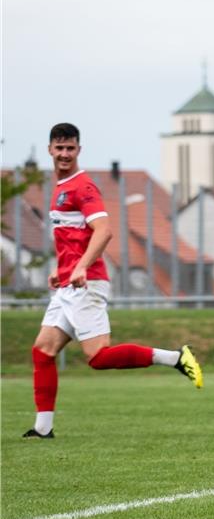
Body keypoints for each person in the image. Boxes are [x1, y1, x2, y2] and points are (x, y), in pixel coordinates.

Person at [24, 123, 203, 440]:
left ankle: (176, 358)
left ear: (79, 150)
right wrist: (61, 268)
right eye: (59, 147)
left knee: (98, 357)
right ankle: (42, 429)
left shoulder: (83, 187)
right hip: (68, 284)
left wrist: (80, 267)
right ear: (50, 149)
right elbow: (71, 239)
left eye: (70, 148)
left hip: (86, 284)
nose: (64, 153)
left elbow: (104, 231)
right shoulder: (59, 186)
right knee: (43, 350)